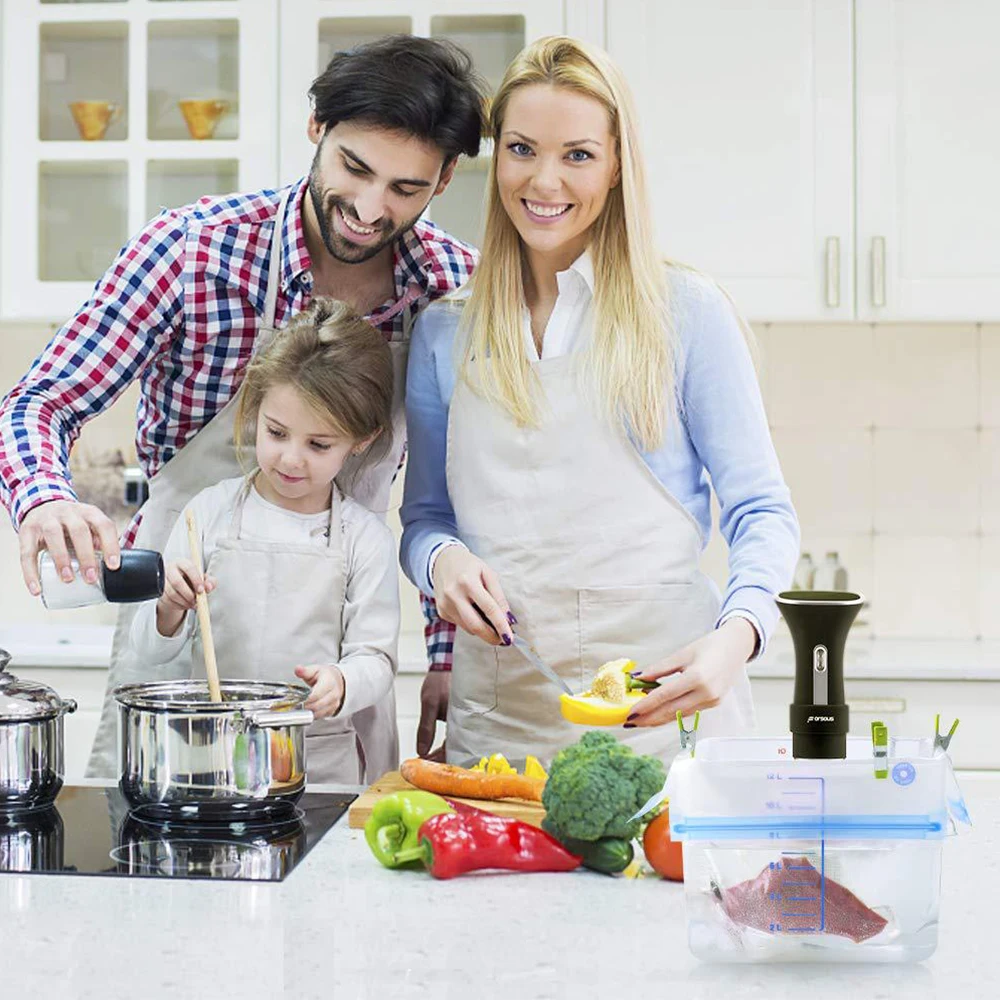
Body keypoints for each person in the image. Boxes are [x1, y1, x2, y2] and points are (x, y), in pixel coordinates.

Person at [0, 34, 486, 777]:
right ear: (316, 126)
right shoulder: (192, 251)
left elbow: (448, 493)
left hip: (332, 680)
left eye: (405, 188)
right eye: (354, 168)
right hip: (178, 647)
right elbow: (37, 401)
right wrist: (44, 498)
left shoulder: (452, 289)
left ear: (445, 178)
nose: (368, 209)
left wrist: (446, 656)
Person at [400, 36, 801, 765]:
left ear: (617, 166)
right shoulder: (444, 331)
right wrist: (443, 563)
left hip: (666, 715)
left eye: (578, 155)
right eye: (522, 149)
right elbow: (425, 519)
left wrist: (736, 638)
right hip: (502, 723)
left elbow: (762, 511)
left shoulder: (684, 312)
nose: (544, 180)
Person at [130, 298, 398, 783]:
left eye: (319, 444)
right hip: (213, 761)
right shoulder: (206, 514)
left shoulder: (366, 539)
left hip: (318, 765)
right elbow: (149, 651)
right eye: (276, 433)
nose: (291, 459)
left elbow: (375, 659)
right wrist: (168, 607)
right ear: (256, 410)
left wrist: (343, 681)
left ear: (361, 441)